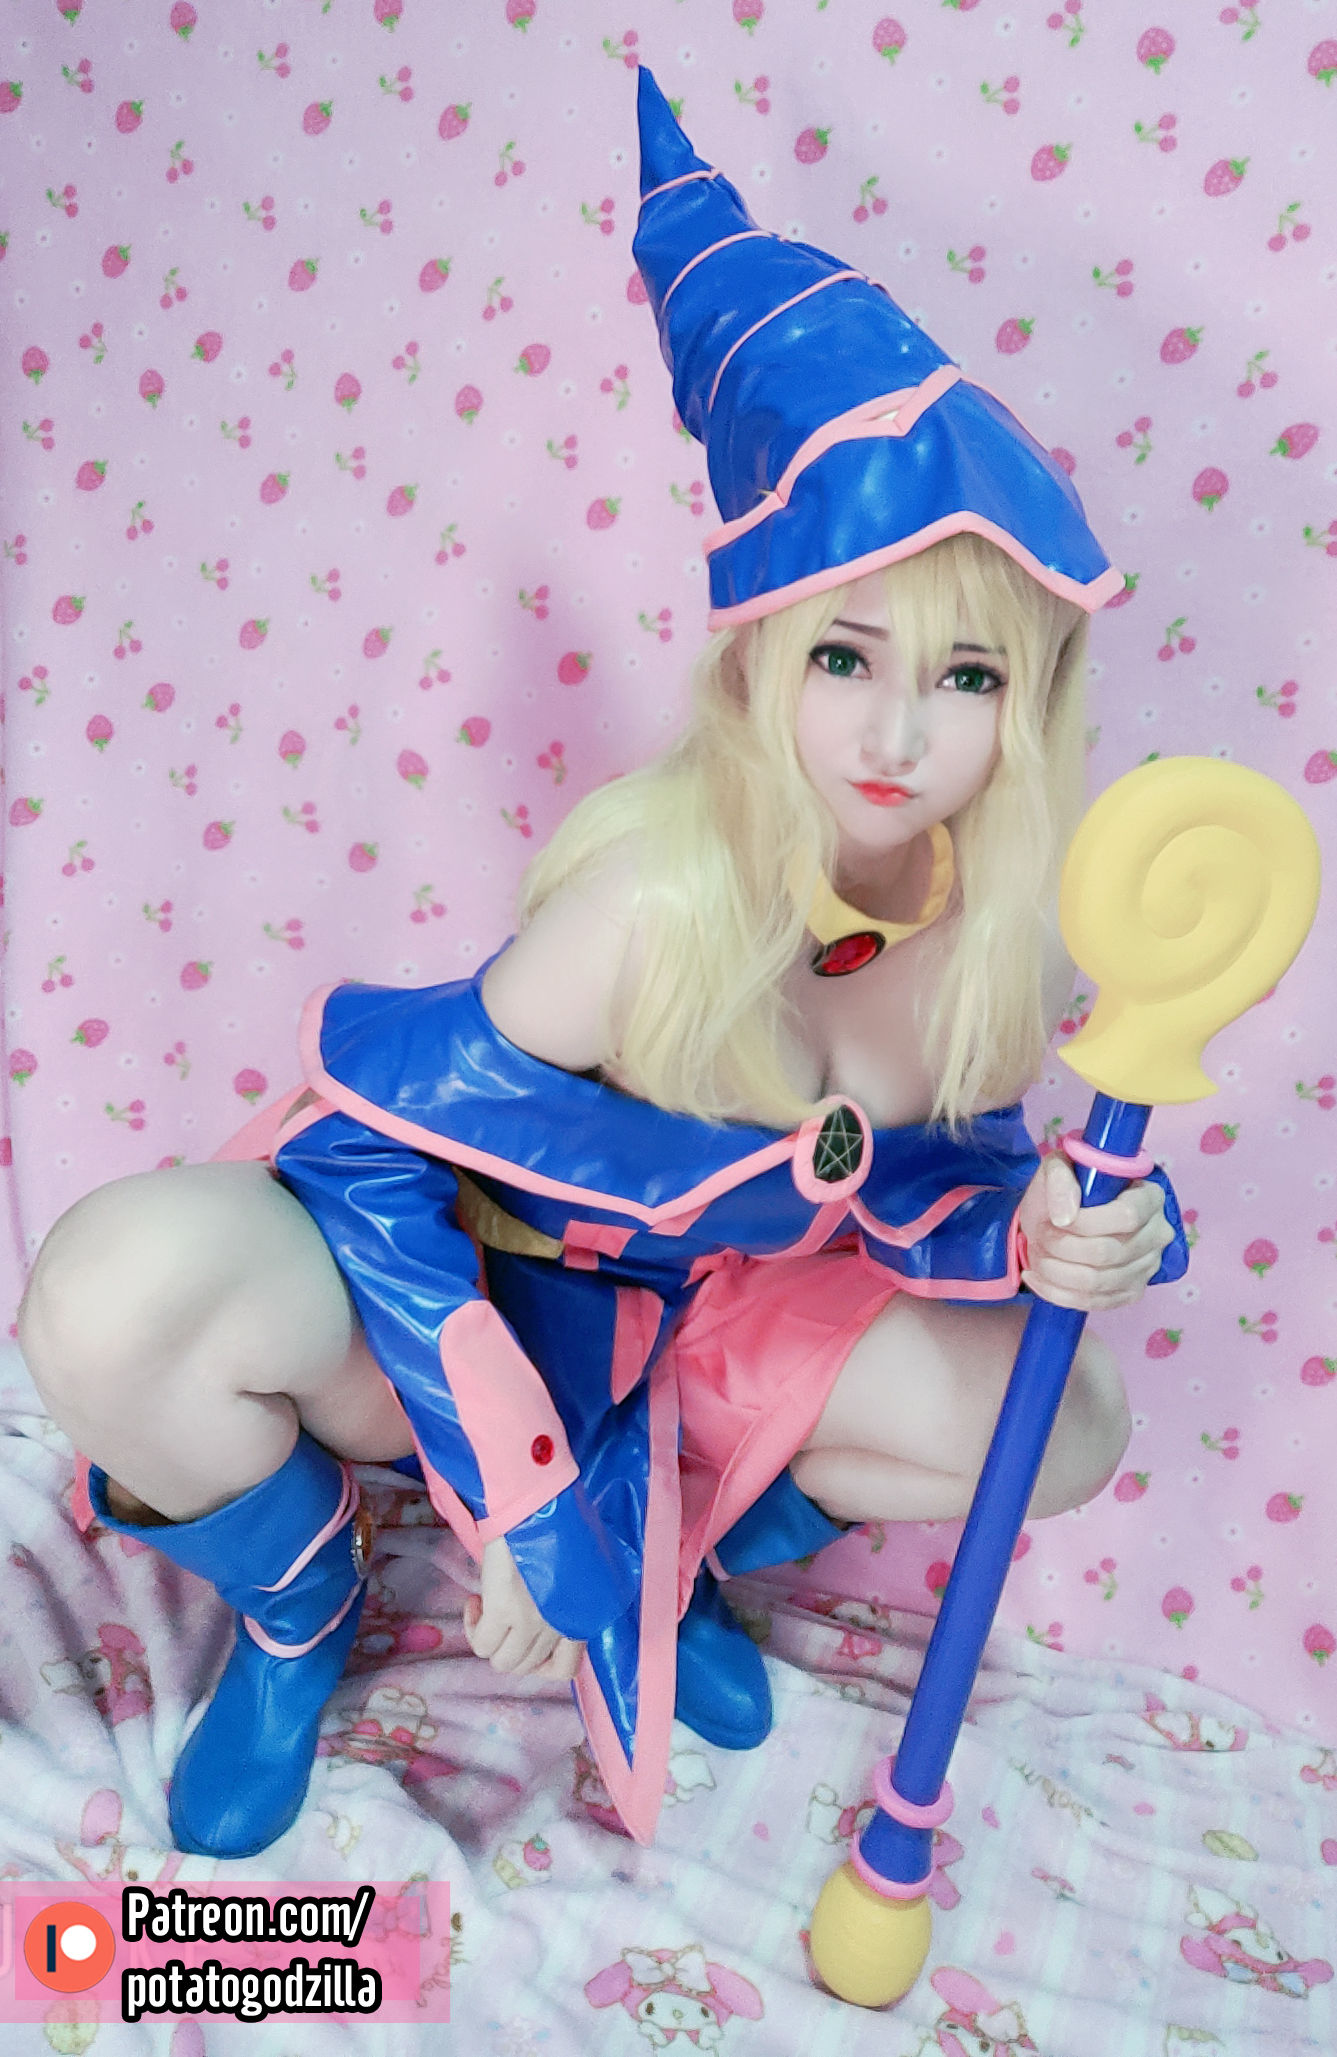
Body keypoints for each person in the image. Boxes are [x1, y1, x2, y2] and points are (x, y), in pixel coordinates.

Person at [16, 68, 1184, 1860]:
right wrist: (522, 1494)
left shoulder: (992, 950)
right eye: (846, 655)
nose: (897, 733)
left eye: (964, 678)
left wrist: (1042, 1228)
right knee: (112, 1286)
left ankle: (674, 1560)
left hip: (681, 1354)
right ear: (760, 658)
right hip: (445, 1315)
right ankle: (303, 1601)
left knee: (1064, 1408)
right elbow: (371, 1166)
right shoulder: (647, 897)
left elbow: (926, 1190)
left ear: (1025, 709)